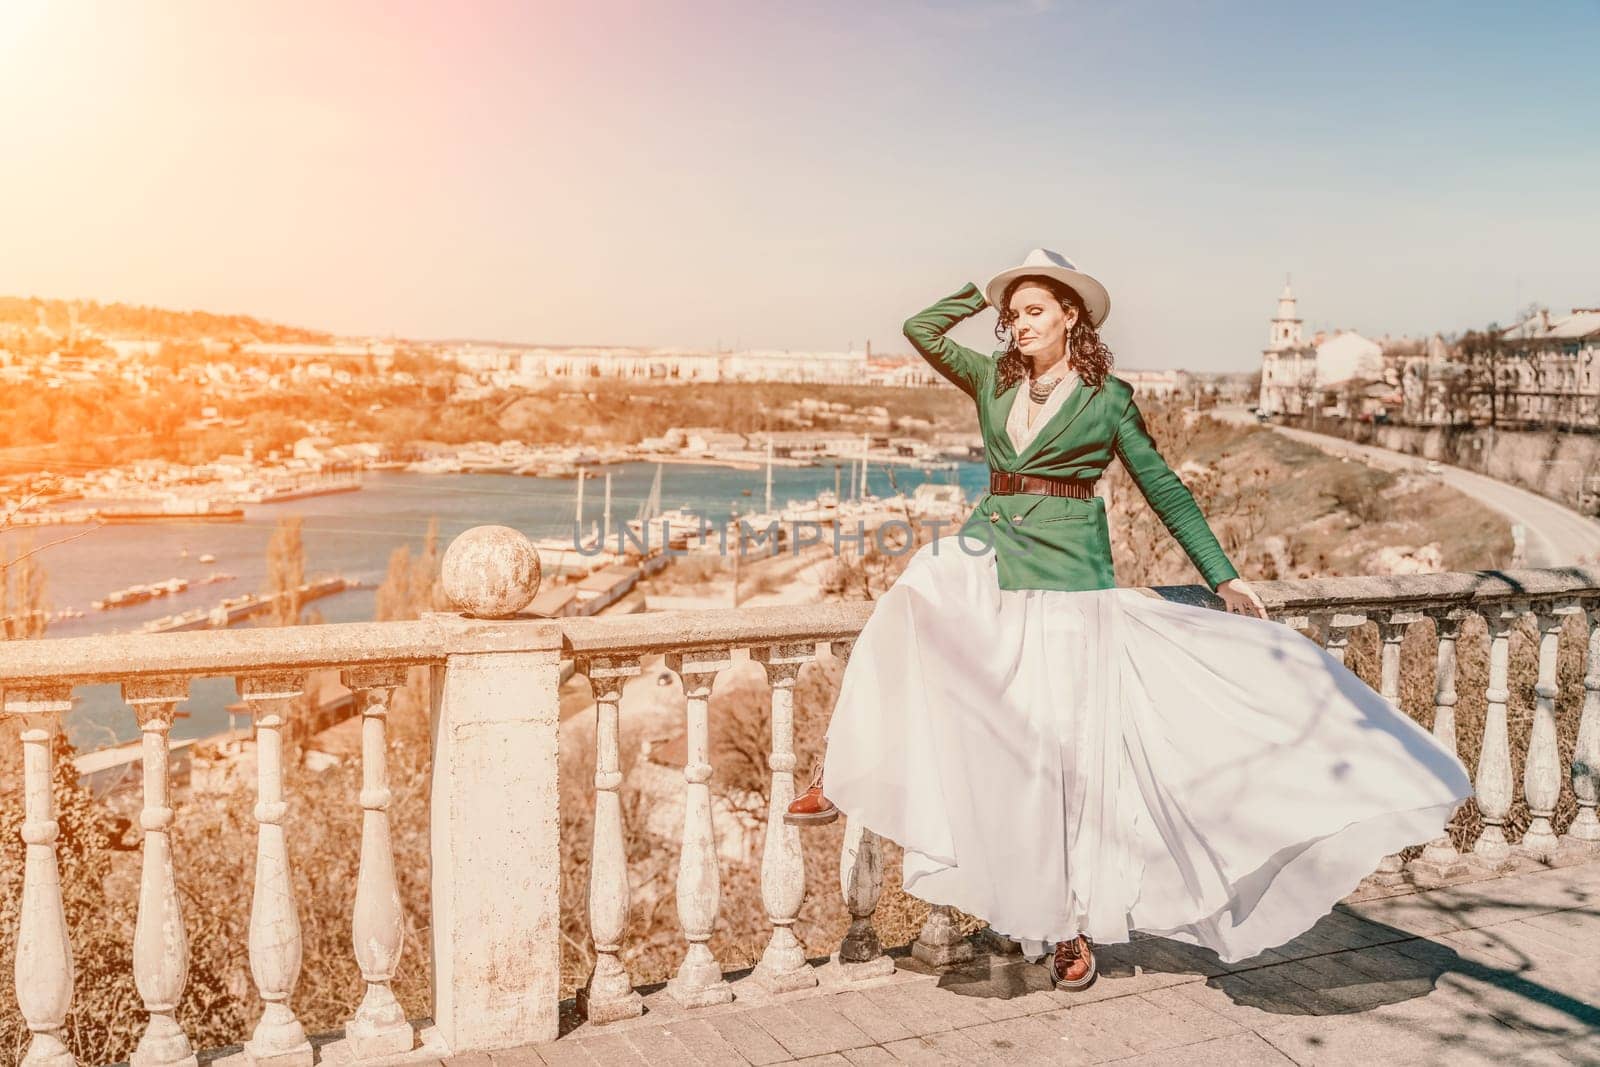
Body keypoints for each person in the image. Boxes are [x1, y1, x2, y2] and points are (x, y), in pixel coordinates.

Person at [785, 248, 1473, 991]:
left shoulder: (1109, 398)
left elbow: (1165, 489)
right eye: (1011, 313)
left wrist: (1225, 575)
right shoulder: (993, 378)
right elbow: (921, 328)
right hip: (993, 547)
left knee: (1067, 764)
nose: (1018, 323)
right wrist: (985, 293)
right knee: (916, 596)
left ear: (1071, 314)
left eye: (1034, 309)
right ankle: (846, 767)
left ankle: (1070, 924)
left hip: (1072, 578)